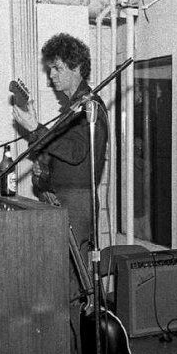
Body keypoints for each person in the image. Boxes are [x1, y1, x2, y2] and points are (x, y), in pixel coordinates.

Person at [12, 33, 108, 248]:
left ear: (77, 68)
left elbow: (75, 152)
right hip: (65, 196)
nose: (51, 75)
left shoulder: (89, 106)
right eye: (50, 69)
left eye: (57, 68)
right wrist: (43, 163)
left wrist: (36, 128)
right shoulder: (73, 107)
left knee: (73, 265)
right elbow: (61, 149)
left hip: (77, 200)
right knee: (62, 263)